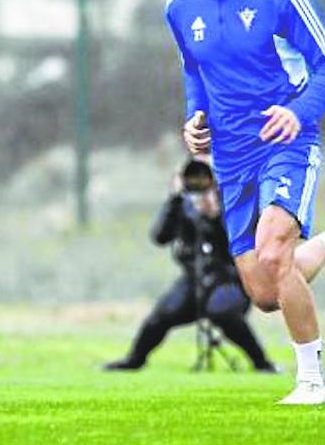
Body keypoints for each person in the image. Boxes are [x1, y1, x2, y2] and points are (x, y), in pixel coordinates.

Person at [165, 0, 325, 405]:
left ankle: (312, 382)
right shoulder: (179, 5)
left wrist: (297, 112)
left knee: (275, 248)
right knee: (263, 292)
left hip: (288, 143)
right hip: (230, 160)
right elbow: (195, 70)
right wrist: (196, 118)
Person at [104, 156, 279, 373]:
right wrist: (174, 199)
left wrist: (216, 216)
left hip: (231, 277)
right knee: (163, 313)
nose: (199, 180)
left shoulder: (233, 198)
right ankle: (134, 359)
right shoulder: (183, 204)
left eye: (205, 174)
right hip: (194, 278)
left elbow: (242, 241)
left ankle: (261, 362)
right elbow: (159, 236)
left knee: (221, 310)